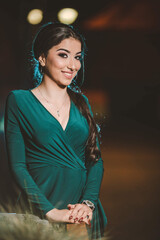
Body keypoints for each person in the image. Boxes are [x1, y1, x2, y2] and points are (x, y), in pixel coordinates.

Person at [4, 22, 107, 239]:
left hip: (80, 214)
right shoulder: (19, 101)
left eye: (77, 57)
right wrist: (50, 212)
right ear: (42, 58)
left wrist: (87, 204)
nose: (73, 65)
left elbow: (95, 160)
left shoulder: (82, 102)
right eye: (63, 55)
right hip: (39, 210)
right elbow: (18, 167)